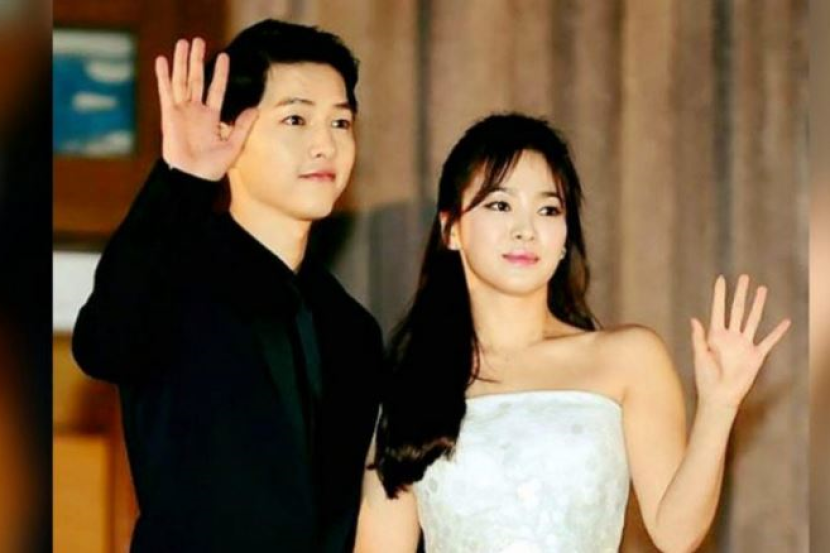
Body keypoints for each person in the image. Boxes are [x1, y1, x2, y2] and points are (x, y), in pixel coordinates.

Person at [354, 113, 791, 552]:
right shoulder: (410, 383)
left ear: (565, 239)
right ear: (451, 229)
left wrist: (718, 407)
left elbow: (676, 534)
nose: (525, 230)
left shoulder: (628, 357)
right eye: (500, 205)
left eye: (548, 210)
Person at [72, 20, 383, 552]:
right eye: (295, 119)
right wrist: (182, 179)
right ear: (228, 132)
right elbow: (103, 345)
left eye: (340, 122)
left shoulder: (352, 327)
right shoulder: (174, 272)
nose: (325, 145)